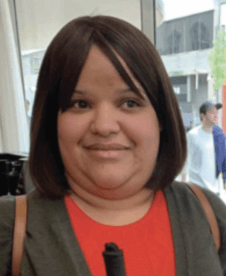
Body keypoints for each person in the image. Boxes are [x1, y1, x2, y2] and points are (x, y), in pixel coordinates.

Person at [0, 16, 226, 276]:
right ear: (52, 121)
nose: (104, 126)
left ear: (161, 117)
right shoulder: (10, 229)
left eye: (129, 103)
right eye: (80, 104)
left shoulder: (207, 214)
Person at [182, 101, 226, 196]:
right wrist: (183, 188)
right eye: (211, 112)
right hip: (197, 190)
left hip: (215, 191)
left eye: (216, 112)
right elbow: (186, 161)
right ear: (202, 116)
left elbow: (224, 159)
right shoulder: (192, 135)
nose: (215, 115)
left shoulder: (219, 136)